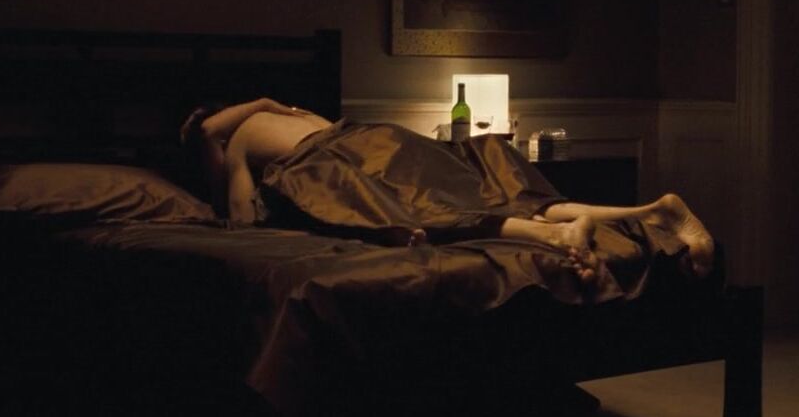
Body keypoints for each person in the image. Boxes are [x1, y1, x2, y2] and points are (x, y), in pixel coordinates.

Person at [180, 97, 715, 283]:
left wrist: (223, 139)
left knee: (423, 212)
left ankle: (553, 237)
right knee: (489, 189)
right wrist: (270, 104)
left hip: (347, 157)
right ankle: (652, 212)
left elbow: (242, 221)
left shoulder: (242, 140)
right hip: (382, 136)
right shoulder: (300, 115)